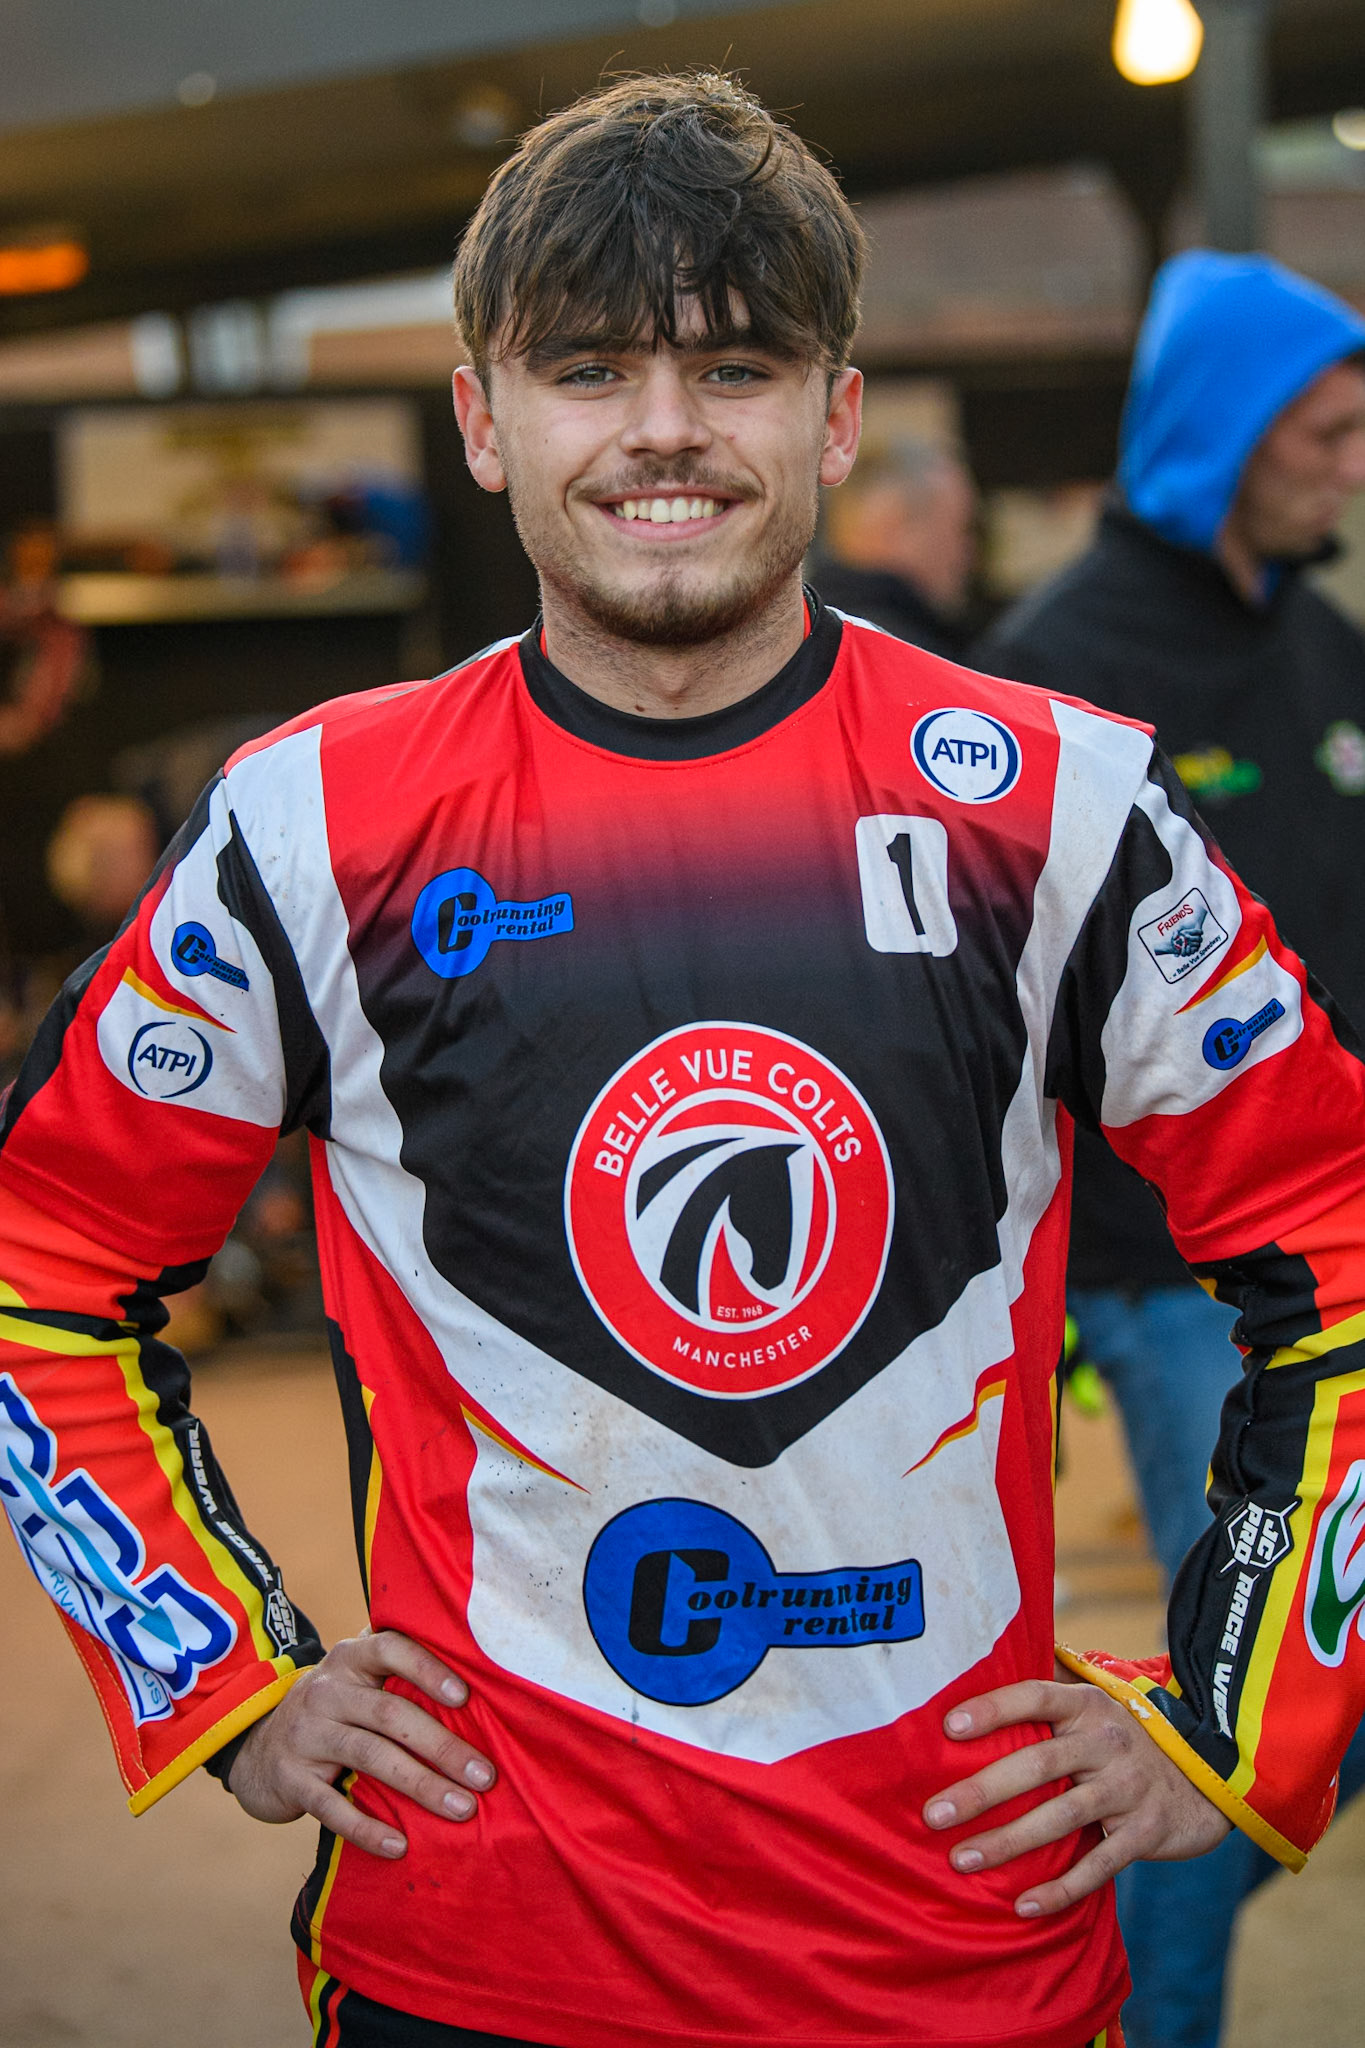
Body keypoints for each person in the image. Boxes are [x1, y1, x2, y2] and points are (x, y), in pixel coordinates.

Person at [1, 79, 1364, 2048]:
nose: (660, 430)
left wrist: (1238, 1720)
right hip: (474, 1954)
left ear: (830, 413)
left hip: (956, 1954)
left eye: (731, 365)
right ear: (480, 419)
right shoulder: (320, 824)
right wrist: (214, 1673)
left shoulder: (1050, 803)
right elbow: (43, 1253)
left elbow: (1334, 1230)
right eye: (584, 367)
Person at [978, 250, 1365, 2048]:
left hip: (1340, 1238)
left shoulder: (1321, 639)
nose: (1356, 468)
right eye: (1332, 433)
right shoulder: (1063, 673)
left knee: (1313, 1676)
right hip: (1178, 1280)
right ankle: (1143, 2015)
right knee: (1248, 1683)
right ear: (1225, 438)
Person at [811, 433, 977, 657]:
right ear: (896, 524)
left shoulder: (799, 643)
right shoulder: (913, 658)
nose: (968, 552)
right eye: (961, 529)